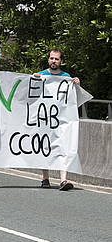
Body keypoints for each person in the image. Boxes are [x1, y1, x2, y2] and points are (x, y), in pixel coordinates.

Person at [33, 49, 80, 191]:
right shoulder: (41, 75)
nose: (54, 61)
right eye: (51, 58)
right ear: (48, 60)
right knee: (44, 147)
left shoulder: (66, 77)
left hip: (60, 120)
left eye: (57, 59)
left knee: (63, 147)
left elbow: (73, 99)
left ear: (61, 61)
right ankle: (45, 178)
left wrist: (76, 83)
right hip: (44, 119)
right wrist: (33, 79)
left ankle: (63, 179)